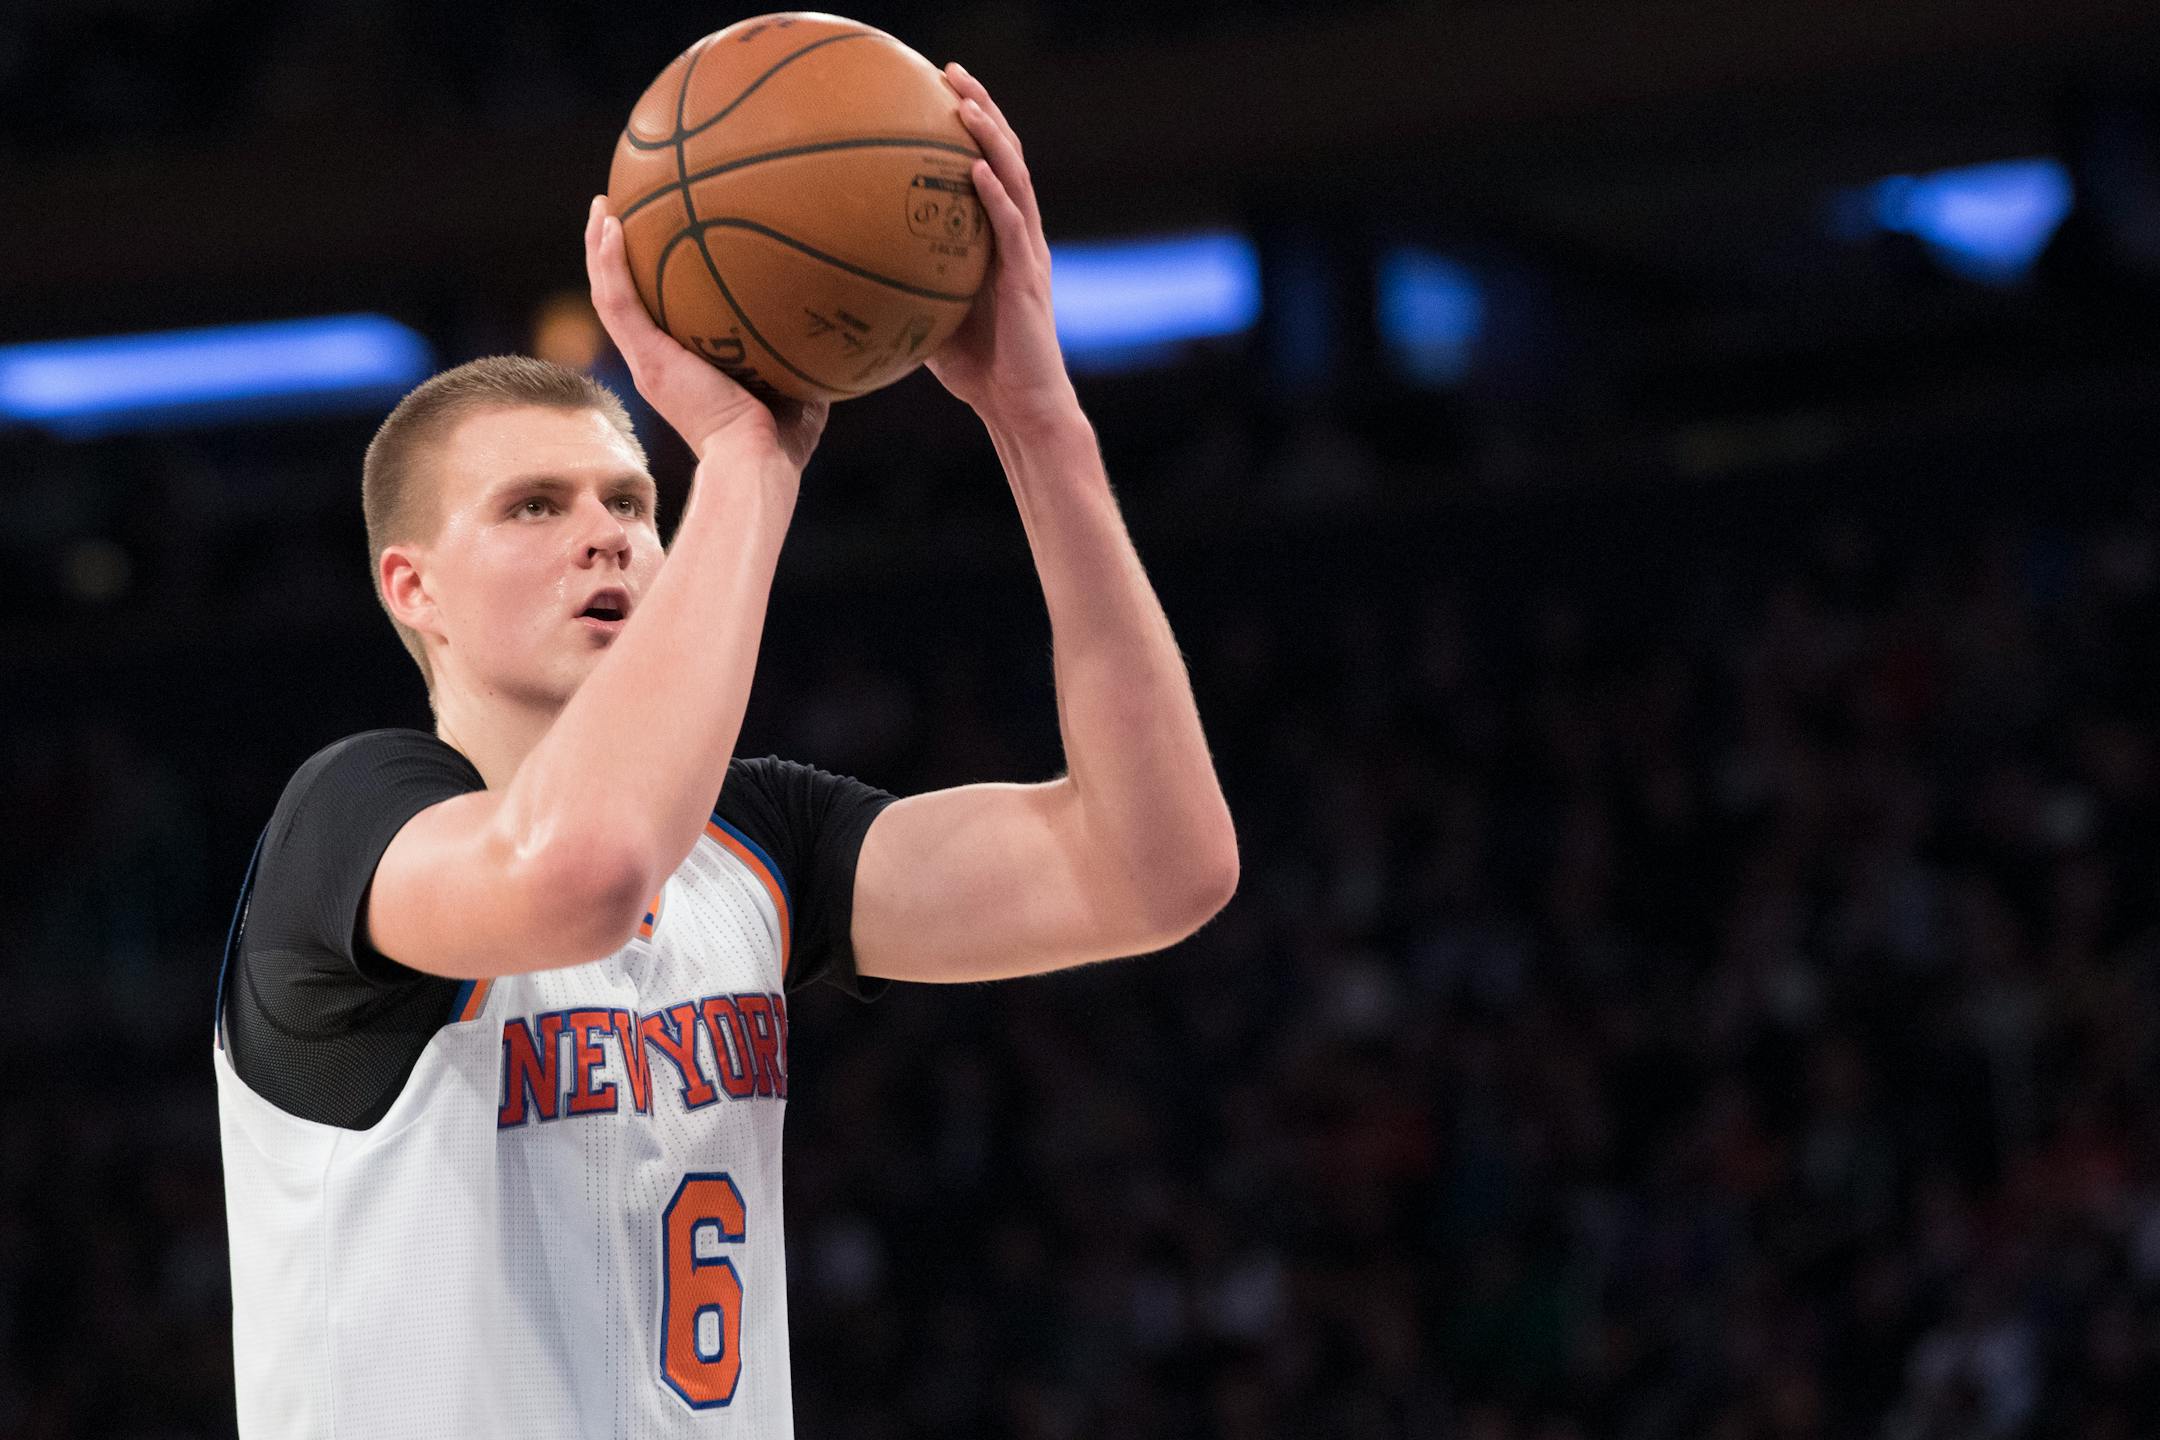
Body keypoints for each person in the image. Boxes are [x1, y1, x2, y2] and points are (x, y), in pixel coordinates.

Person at [211, 63, 1237, 1439]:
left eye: (633, 500)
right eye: (533, 505)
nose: (606, 532)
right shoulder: (352, 819)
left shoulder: (754, 845)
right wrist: (750, 466)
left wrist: (1036, 424)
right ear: (413, 591)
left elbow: (1155, 865)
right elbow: (577, 874)